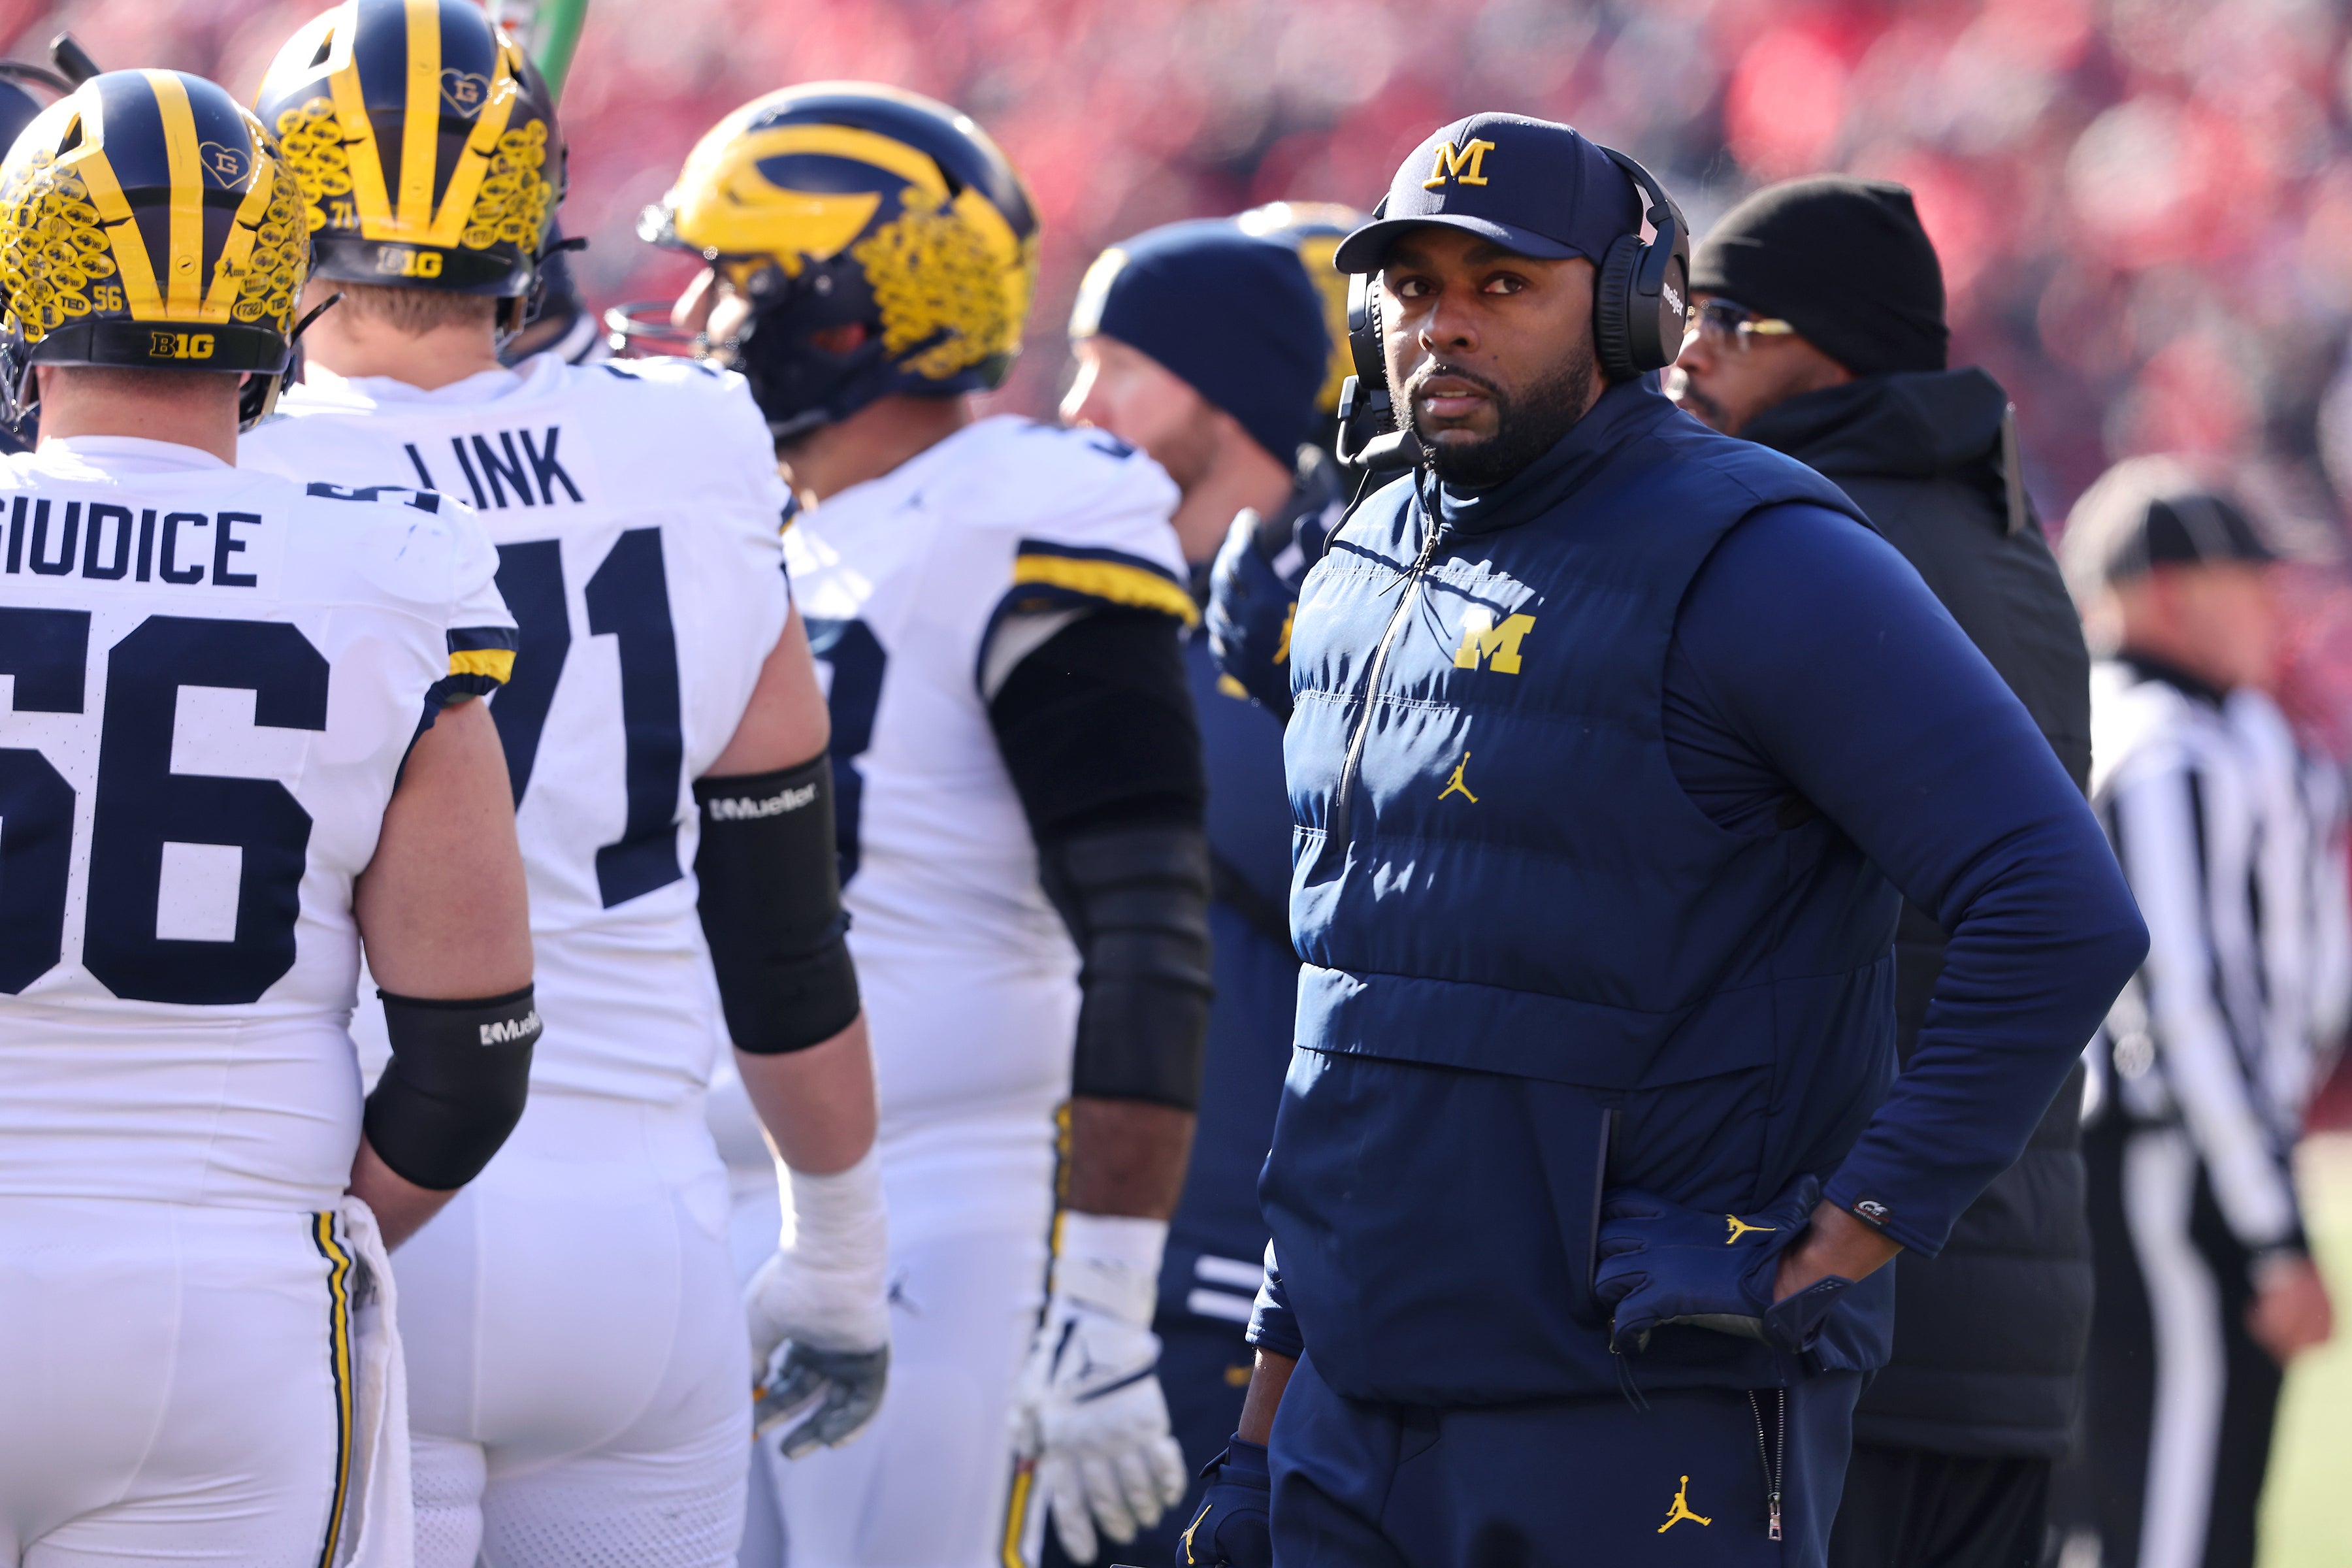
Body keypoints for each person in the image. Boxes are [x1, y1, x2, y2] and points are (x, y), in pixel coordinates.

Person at [1197, 112, 2147, 1568]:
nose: (1441, 327)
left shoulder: (1764, 549)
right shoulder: (1363, 553)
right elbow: (1346, 1026)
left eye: (1502, 286)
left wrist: (1837, 1240)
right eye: (1411, 287)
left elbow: (2058, 905)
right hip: (1352, 1410)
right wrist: (1263, 1427)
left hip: (1637, 1414)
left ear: (1637, 310)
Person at [238, 6, 889, 1565]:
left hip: (352, 1203)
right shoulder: (698, 437)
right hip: (638, 1232)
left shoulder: (241, 478)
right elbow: (781, 925)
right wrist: (840, 1252)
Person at [639, 84, 1214, 1568]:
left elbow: (1147, 920)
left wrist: (1103, 1295)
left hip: (944, 1204)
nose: (699, 309)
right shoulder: (770, 528)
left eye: (741, 275)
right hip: (713, 1202)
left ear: (850, 311)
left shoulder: (1024, 515)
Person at [0, 70, 536, 1565]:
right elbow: (472, 1053)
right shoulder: (388, 575)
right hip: (222, 1299)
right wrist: (300, 1229)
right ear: (273, 304)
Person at [1671, 174, 2099, 1568]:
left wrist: (1847, 1233)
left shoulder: (1819, 545)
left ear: (1833, 346)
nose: (1687, 348)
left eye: (1728, 317)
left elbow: (2062, 919)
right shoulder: (1999, 535)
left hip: (1857, 1297)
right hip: (2000, 1293)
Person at [1058, 217, 1335, 1566]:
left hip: (1235, 1271)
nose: (1079, 406)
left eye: (1118, 363)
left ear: (1224, 387)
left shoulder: (1334, 621)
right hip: (1090, 1261)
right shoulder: (1122, 606)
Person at [2060, 460, 2342, 1568]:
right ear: (2169, 592)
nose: (2273, 607)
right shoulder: (2160, 746)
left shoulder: (2228, 733)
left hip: (2185, 1165)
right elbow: (2188, 1008)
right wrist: (2272, 1232)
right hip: (2172, 1172)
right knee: (2177, 1520)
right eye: (2246, 580)